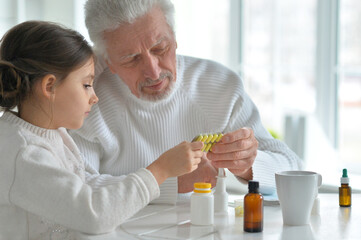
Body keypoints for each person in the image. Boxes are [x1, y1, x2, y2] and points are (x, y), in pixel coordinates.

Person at [71, 0, 301, 204]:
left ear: (175, 36)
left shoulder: (220, 85)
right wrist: (171, 182)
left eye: (160, 48)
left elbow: (295, 170)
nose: (153, 72)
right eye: (131, 59)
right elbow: (78, 191)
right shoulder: (85, 101)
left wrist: (248, 166)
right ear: (107, 61)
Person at [0, 20, 203, 239]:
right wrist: (160, 169)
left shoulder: (53, 135)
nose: (94, 97)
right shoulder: (24, 154)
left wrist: (167, 179)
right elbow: (93, 214)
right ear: (49, 86)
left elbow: (87, 187)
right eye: (86, 85)